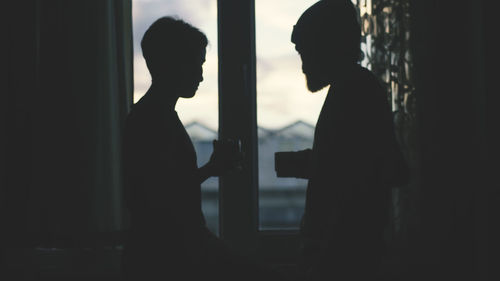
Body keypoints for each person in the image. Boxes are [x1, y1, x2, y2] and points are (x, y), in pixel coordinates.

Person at [121, 17, 273, 281]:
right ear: (172, 64)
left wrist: (210, 170)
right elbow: (160, 196)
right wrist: (210, 170)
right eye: (196, 64)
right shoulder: (153, 119)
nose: (201, 75)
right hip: (170, 255)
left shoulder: (151, 115)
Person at [275, 1, 409, 280]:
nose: (302, 66)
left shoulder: (354, 91)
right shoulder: (355, 87)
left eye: (305, 53)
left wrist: (322, 262)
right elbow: (351, 162)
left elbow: (360, 172)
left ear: (326, 46)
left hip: (343, 258)